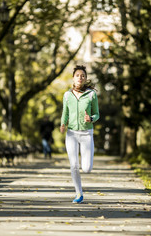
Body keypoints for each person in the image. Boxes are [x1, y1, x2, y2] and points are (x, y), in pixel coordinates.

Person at [60, 65, 100, 204]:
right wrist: (63, 124)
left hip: (86, 134)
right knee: (74, 165)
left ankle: (81, 185)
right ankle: (79, 194)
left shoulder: (91, 94)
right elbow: (65, 113)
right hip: (71, 134)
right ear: (73, 77)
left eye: (82, 76)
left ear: (85, 78)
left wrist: (91, 119)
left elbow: (97, 114)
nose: (80, 78)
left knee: (87, 168)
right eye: (77, 75)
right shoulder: (67, 95)